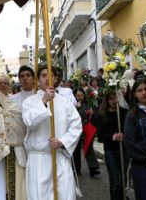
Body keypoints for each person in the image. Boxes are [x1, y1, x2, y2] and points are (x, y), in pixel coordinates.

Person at [22, 65, 82, 200]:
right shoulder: (30, 102)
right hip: (39, 160)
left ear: (55, 79)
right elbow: (29, 122)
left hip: (59, 157)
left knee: (64, 194)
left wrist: (62, 141)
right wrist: (44, 101)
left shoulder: (65, 103)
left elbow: (76, 126)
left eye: (51, 75)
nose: (47, 78)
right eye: (43, 75)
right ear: (38, 80)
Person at [93, 91, 128, 200]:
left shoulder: (124, 112)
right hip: (110, 151)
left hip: (124, 150)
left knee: (123, 180)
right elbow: (101, 135)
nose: (114, 101)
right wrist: (112, 137)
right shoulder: (102, 115)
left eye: (116, 98)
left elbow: (130, 129)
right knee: (115, 181)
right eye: (111, 99)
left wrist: (124, 135)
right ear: (107, 100)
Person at [73, 87, 100, 177]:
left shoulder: (89, 104)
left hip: (87, 129)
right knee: (76, 150)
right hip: (76, 130)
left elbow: (96, 115)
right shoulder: (72, 105)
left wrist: (92, 114)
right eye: (78, 95)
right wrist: (76, 108)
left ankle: (93, 168)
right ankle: (76, 169)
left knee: (88, 147)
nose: (80, 97)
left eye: (81, 95)